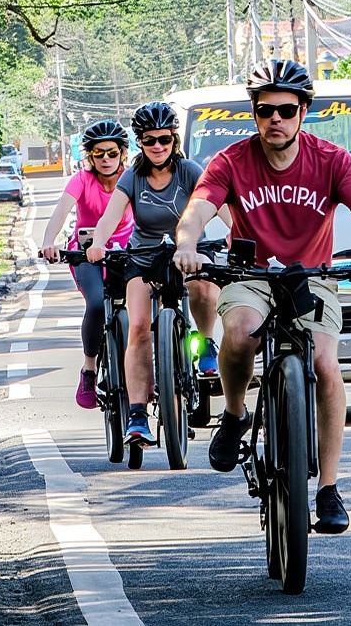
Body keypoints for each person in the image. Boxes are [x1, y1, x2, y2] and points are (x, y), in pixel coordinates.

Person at [173, 59, 351, 534]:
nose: (275, 119)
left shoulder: (332, 159)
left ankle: (329, 487)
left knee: (325, 365)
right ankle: (234, 413)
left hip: (312, 277)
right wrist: (187, 245)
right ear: (254, 114)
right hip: (251, 274)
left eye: (286, 110)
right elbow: (197, 210)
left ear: (303, 112)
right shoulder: (231, 160)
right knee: (239, 332)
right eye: (265, 110)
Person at [87, 102, 225, 446]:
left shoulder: (189, 171)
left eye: (164, 139)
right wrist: (99, 243)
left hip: (189, 249)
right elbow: (110, 216)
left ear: (173, 139)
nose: (158, 146)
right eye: (150, 140)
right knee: (137, 326)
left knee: (204, 288)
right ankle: (137, 415)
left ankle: (206, 343)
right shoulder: (133, 176)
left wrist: (238, 233)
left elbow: (219, 204)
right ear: (140, 142)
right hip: (144, 254)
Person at [39, 120, 135, 409]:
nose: (106, 159)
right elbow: (61, 211)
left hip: (125, 251)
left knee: (141, 306)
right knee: (96, 304)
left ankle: (144, 367)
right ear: (90, 156)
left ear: (122, 153)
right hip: (85, 253)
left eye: (112, 153)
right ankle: (90, 370)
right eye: (98, 153)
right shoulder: (81, 179)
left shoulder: (132, 177)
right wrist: (48, 241)